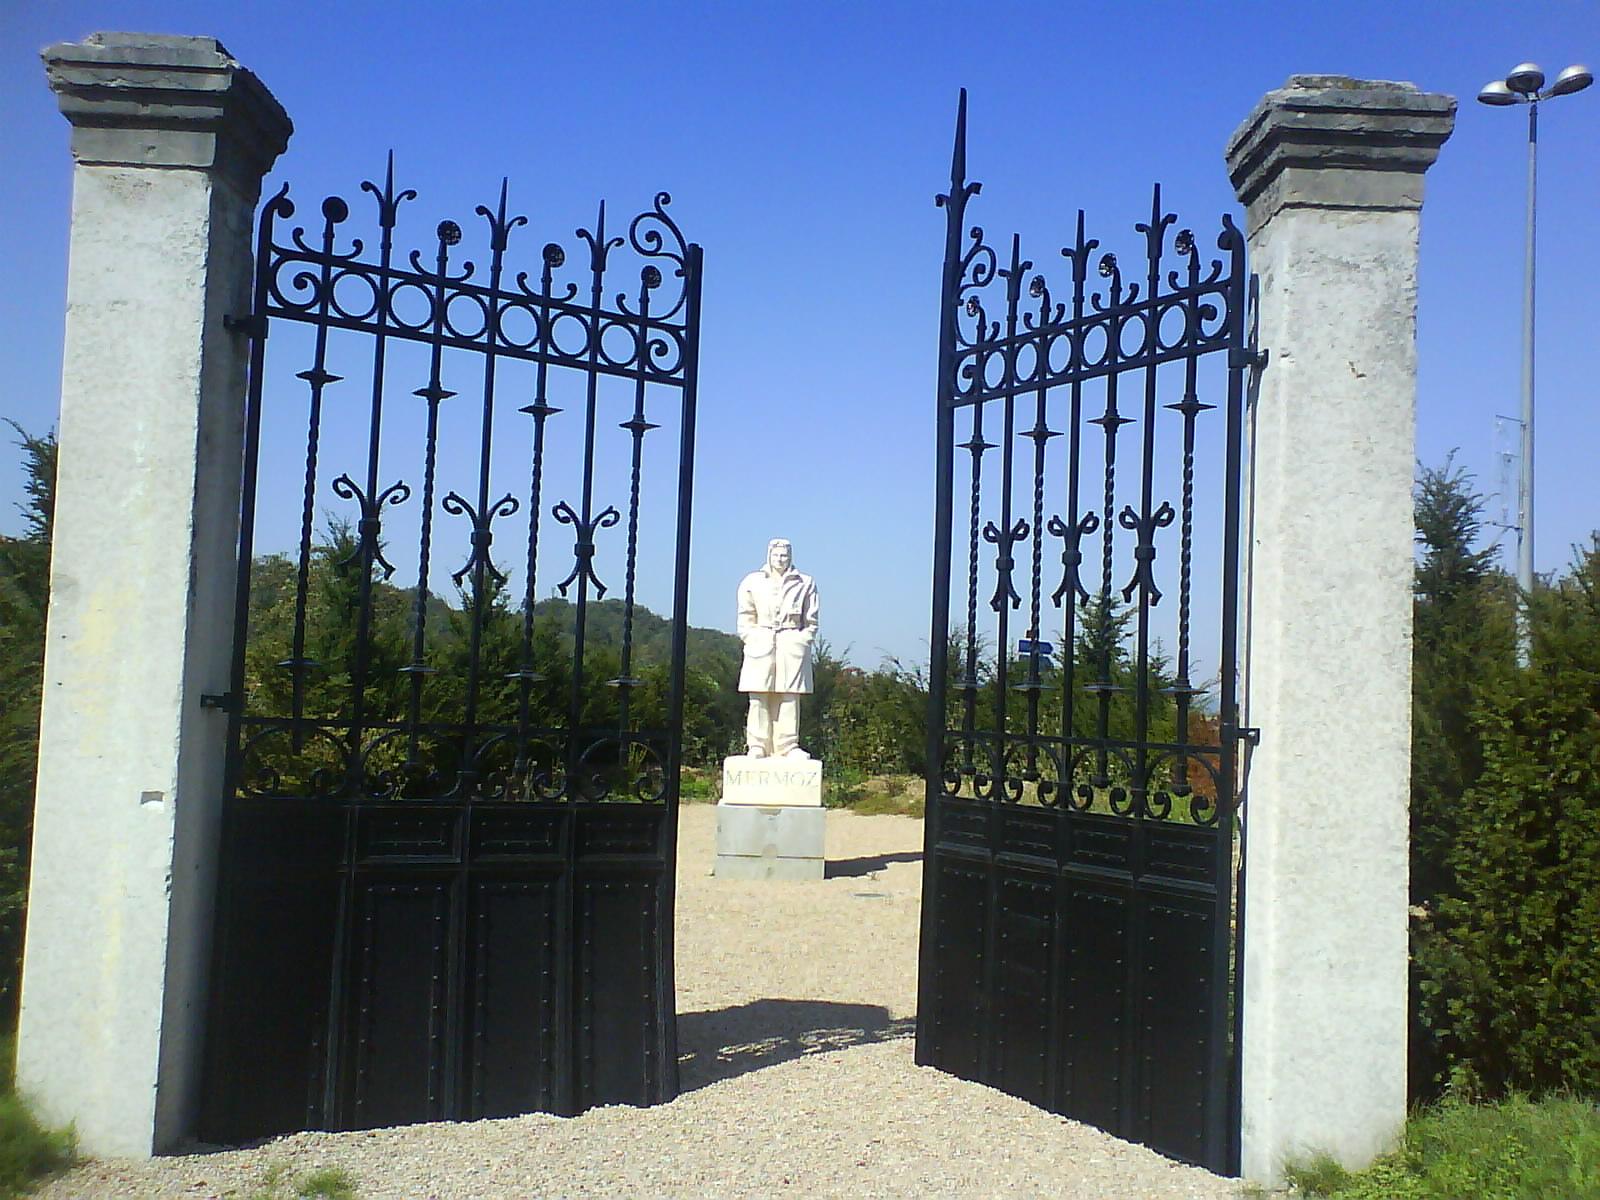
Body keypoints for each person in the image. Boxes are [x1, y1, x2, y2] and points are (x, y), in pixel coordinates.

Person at [736, 538, 819, 759]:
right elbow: (745, 617)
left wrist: (802, 640)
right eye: (776, 555)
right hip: (761, 640)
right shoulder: (752, 581)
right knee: (758, 695)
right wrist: (752, 637)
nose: (780, 560)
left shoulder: (805, 582)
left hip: (791, 641)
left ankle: (788, 745)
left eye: (784, 555)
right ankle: (757, 744)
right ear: (769, 556)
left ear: (791, 556)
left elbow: (811, 621)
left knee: (790, 695)